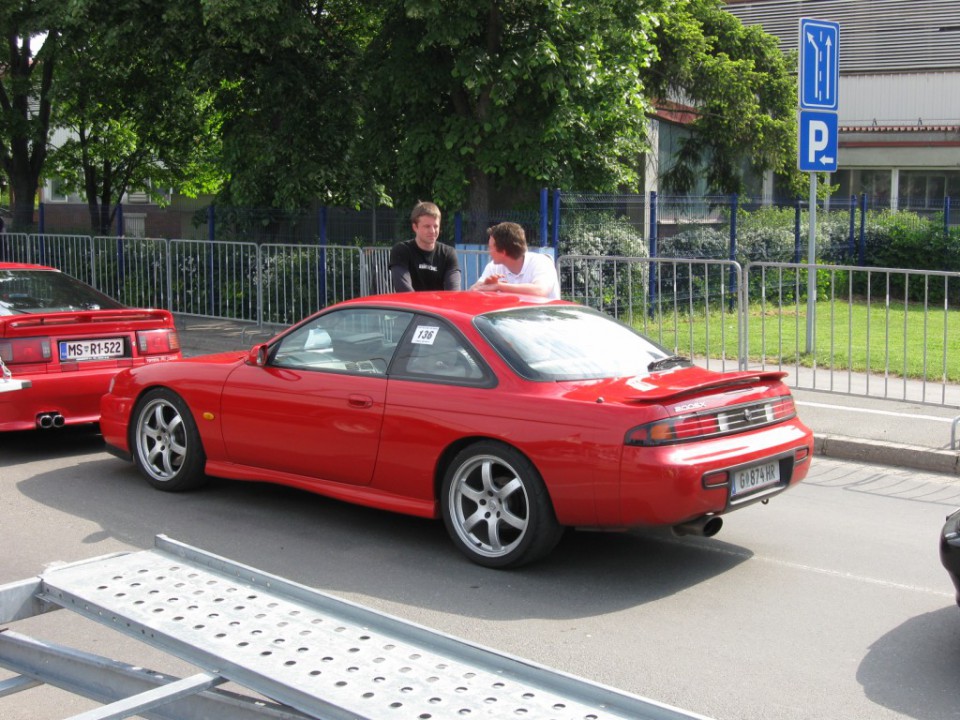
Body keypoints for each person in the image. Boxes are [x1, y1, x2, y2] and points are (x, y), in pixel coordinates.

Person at [470, 222, 560, 299]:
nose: (489, 252)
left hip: (544, 319)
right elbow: (471, 292)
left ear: (503, 252)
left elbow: (540, 290)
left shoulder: (542, 262)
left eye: (490, 247)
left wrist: (500, 286)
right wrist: (483, 287)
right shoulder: (493, 267)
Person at [389, 201, 461, 292]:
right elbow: (404, 290)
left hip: (438, 305)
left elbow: (453, 291)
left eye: (435, 226)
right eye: (427, 226)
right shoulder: (401, 251)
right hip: (410, 305)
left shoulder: (448, 253)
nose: (432, 231)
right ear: (415, 227)